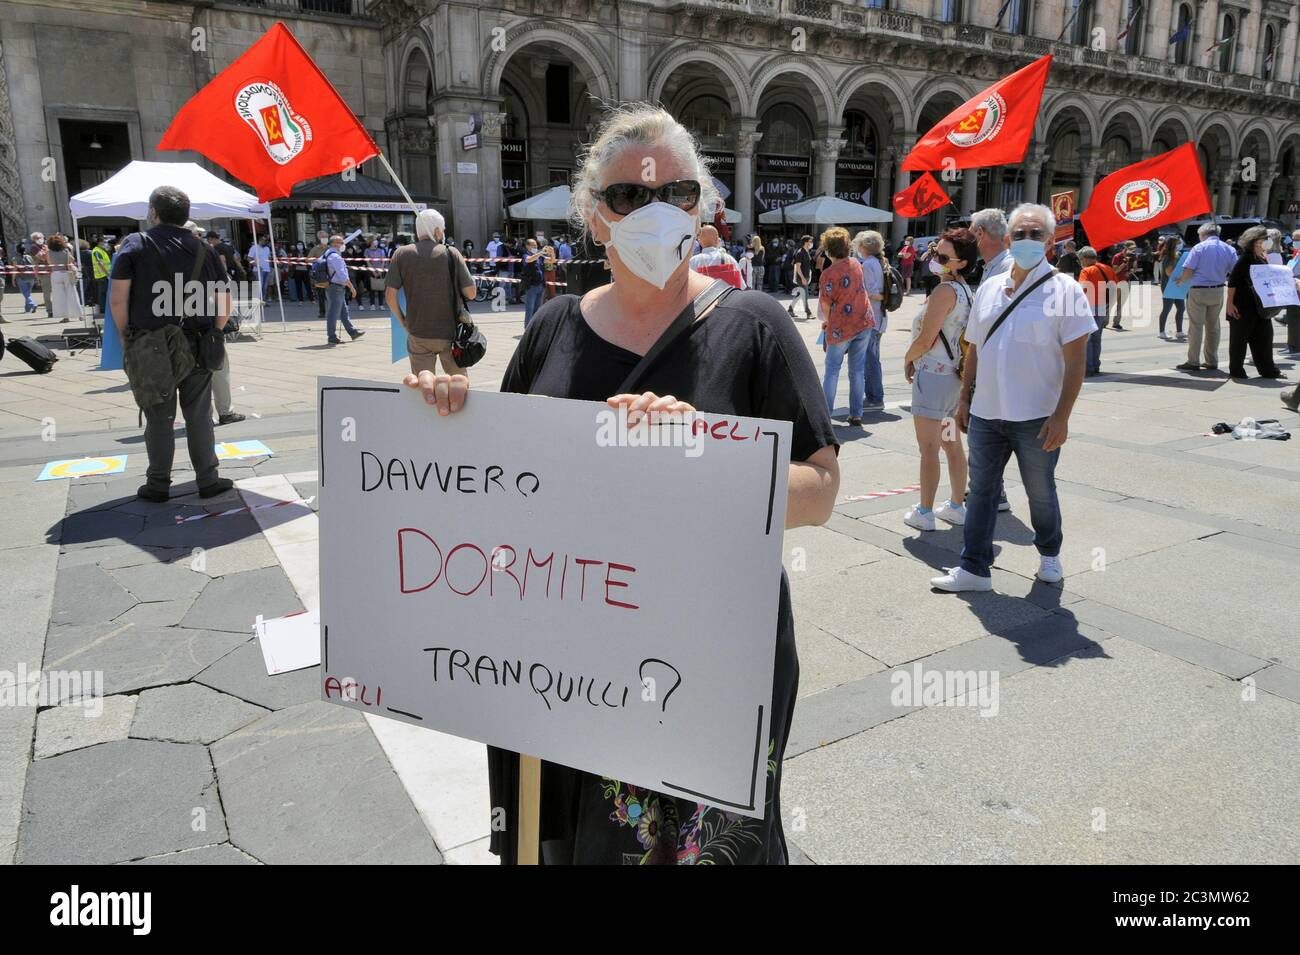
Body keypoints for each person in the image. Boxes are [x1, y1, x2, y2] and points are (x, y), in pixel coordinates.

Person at [403, 103, 839, 866]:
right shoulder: (551, 326)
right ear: (593, 218)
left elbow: (822, 490)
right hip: (568, 659)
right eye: (627, 195)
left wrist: (705, 449)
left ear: (702, 209)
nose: (652, 209)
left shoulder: (755, 325)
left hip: (702, 663)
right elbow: (507, 481)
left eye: (674, 191)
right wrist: (447, 421)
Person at [932, 203, 1095, 592]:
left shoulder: (1066, 290)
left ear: (1051, 241)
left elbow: (1076, 364)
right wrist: (965, 399)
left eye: (1036, 233)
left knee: (1040, 492)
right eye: (1019, 234)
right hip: (987, 413)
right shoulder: (989, 287)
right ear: (1007, 240)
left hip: (1037, 417)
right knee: (982, 491)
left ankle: (1049, 554)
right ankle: (974, 568)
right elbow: (975, 348)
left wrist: (1062, 417)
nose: (1027, 240)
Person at [109, 186, 235, 502]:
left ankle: (157, 484)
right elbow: (224, 299)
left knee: (159, 415)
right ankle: (208, 480)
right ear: (186, 215)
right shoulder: (205, 250)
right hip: (196, 341)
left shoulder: (136, 244)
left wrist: (126, 336)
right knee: (199, 414)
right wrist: (216, 333)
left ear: (153, 213)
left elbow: (118, 298)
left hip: (151, 343)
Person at [902, 228, 976, 530]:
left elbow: (926, 338)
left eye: (943, 257)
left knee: (929, 448)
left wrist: (908, 357)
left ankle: (925, 511)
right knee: (951, 444)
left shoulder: (944, 292)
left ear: (960, 263)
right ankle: (957, 505)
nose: (936, 259)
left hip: (932, 378)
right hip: (952, 379)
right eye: (935, 252)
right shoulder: (965, 290)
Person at [385, 208, 475, 377]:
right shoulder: (451, 253)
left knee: (423, 388)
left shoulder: (401, 254)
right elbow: (471, 293)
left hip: (418, 333)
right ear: (437, 231)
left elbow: (390, 297)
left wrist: (403, 321)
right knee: (459, 383)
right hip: (451, 333)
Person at [817, 226, 875, 426]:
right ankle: (856, 413)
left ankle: (826, 414)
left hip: (841, 326)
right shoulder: (856, 264)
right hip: (863, 321)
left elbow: (825, 305)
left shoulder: (828, 274)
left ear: (828, 249)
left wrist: (827, 323)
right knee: (857, 370)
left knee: (832, 370)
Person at [1174, 221, 1236, 371]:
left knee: (1196, 326)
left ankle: (1193, 361)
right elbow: (1234, 271)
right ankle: (1212, 360)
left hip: (1198, 290)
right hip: (1218, 290)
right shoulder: (1229, 249)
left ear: (1203, 234)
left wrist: (1181, 280)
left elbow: (1188, 271)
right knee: (1213, 327)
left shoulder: (1199, 248)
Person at [1225, 226, 1284, 380]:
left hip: (1261, 308)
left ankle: (1268, 370)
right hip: (1243, 307)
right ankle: (1236, 371)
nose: (1267, 241)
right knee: (1239, 340)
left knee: (1264, 339)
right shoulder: (1245, 259)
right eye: (1264, 238)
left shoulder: (1262, 257)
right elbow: (1232, 283)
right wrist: (1230, 304)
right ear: (1255, 241)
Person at [853, 230, 888, 412]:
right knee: (873, 358)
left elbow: (873, 293)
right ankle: (875, 396)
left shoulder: (867, 264)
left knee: (870, 360)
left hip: (871, 318)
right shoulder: (879, 262)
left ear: (863, 246)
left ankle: (875, 397)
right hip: (880, 317)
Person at [1075, 247, 1116, 377]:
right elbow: (1115, 287)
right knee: (1097, 338)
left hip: (1089, 307)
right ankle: (1096, 365)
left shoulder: (1086, 271)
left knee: (1087, 338)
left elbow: (1081, 290)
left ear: (1086, 259)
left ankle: (1088, 367)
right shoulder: (1107, 268)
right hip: (1103, 306)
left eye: (1081, 260)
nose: (1080, 262)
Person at [323, 234, 364, 345]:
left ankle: (353, 332)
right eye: (341, 243)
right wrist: (352, 288)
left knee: (343, 312)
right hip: (336, 287)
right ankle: (332, 336)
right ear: (334, 244)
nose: (343, 245)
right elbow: (342, 275)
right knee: (333, 313)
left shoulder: (328, 253)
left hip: (333, 287)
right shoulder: (335, 256)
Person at [1154, 237, 1186, 341]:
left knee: (1181, 308)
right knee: (1167, 309)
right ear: (1173, 245)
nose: (1180, 245)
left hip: (1177, 285)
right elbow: (1169, 273)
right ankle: (1162, 332)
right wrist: (1182, 277)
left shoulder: (1178, 255)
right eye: (1178, 243)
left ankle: (1179, 331)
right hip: (1169, 286)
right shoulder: (1168, 257)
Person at [970, 208, 1011, 287]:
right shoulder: (993, 264)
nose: (967, 242)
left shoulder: (1008, 268)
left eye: (970, 236)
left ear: (980, 233)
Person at [45, 234, 81, 322]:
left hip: (56, 274)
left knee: (59, 297)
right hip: (66, 273)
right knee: (72, 294)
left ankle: (65, 317)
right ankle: (80, 315)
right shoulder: (65, 250)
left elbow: (49, 263)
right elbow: (71, 260)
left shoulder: (48, 252)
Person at [1108, 241, 1136, 330]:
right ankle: (1104, 321)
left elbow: (1135, 267)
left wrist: (1131, 271)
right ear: (1125, 248)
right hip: (1117, 282)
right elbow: (1115, 271)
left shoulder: (1133, 256)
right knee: (1111, 302)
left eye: (1133, 249)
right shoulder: (1117, 256)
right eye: (1131, 248)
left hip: (1126, 282)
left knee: (1121, 304)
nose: (1133, 250)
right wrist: (1124, 263)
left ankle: (1116, 322)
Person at [519, 236, 545, 327]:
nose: (535, 247)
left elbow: (552, 260)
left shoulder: (539, 256)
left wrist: (551, 252)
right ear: (527, 246)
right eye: (533, 245)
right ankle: (527, 329)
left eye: (536, 245)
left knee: (537, 309)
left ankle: (535, 328)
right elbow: (529, 260)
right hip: (531, 286)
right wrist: (540, 253)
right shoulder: (525, 255)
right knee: (529, 309)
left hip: (540, 285)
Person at [788, 234, 814, 320]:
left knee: (799, 294)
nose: (811, 243)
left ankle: (790, 309)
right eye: (810, 241)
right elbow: (798, 267)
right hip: (801, 278)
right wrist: (802, 278)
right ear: (806, 242)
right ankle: (808, 313)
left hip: (805, 277)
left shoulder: (806, 252)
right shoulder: (800, 253)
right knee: (805, 295)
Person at [308, 230, 330, 318]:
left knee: (333, 294)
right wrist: (317, 260)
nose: (325, 239)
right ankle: (322, 312)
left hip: (331, 273)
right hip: (320, 274)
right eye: (323, 237)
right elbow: (308, 259)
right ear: (319, 238)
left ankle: (335, 311)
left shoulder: (330, 248)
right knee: (321, 294)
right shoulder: (315, 249)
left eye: (326, 237)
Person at [31, 232, 54, 317]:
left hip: (52, 270)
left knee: (55, 291)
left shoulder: (46, 246)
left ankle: (56, 309)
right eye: (37, 238)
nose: (40, 239)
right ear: (33, 240)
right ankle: (50, 310)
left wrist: (46, 251)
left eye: (41, 237)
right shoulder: (34, 247)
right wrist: (46, 252)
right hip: (44, 272)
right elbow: (42, 258)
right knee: (47, 292)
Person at [248, 235, 273, 300]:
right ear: (260, 241)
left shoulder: (267, 248)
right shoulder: (254, 248)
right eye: (264, 241)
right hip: (258, 270)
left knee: (265, 286)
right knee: (260, 285)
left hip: (267, 270)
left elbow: (269, 258)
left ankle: (263, 300)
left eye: (266, 241)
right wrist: (257, 265)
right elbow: (249, 258)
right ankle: (258, 300)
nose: (265, 242)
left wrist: (270, 267)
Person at [15, 244, 37, 313]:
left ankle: (33, 304)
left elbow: (15, 269)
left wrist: (13, 279)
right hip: (31, 277)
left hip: (22, 278)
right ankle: (27, 309)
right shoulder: (29, 257)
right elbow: (34, 267)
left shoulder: (15, 258)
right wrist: (36, 277)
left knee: (26, 293)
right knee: (28, 293)